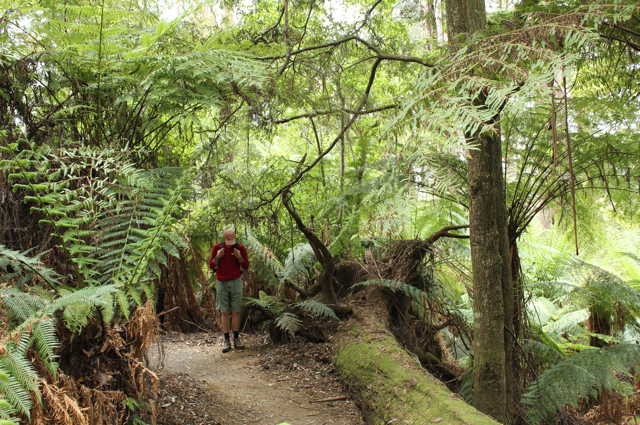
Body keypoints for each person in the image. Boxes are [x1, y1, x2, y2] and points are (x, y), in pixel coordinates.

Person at [208, 228, 250, 353]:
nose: (230, 239)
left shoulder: (240, 248)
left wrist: (239, 257)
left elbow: (246, 265)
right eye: (227, 237)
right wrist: (217, 257)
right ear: (224, 237)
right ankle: (226, 341)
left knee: (236, 311)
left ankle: (236, 339)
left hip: (236, 281)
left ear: (235, 236)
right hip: (221, 282)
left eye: (231, 237)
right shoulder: (218, 247)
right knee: (224, 312)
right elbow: (211, 265)